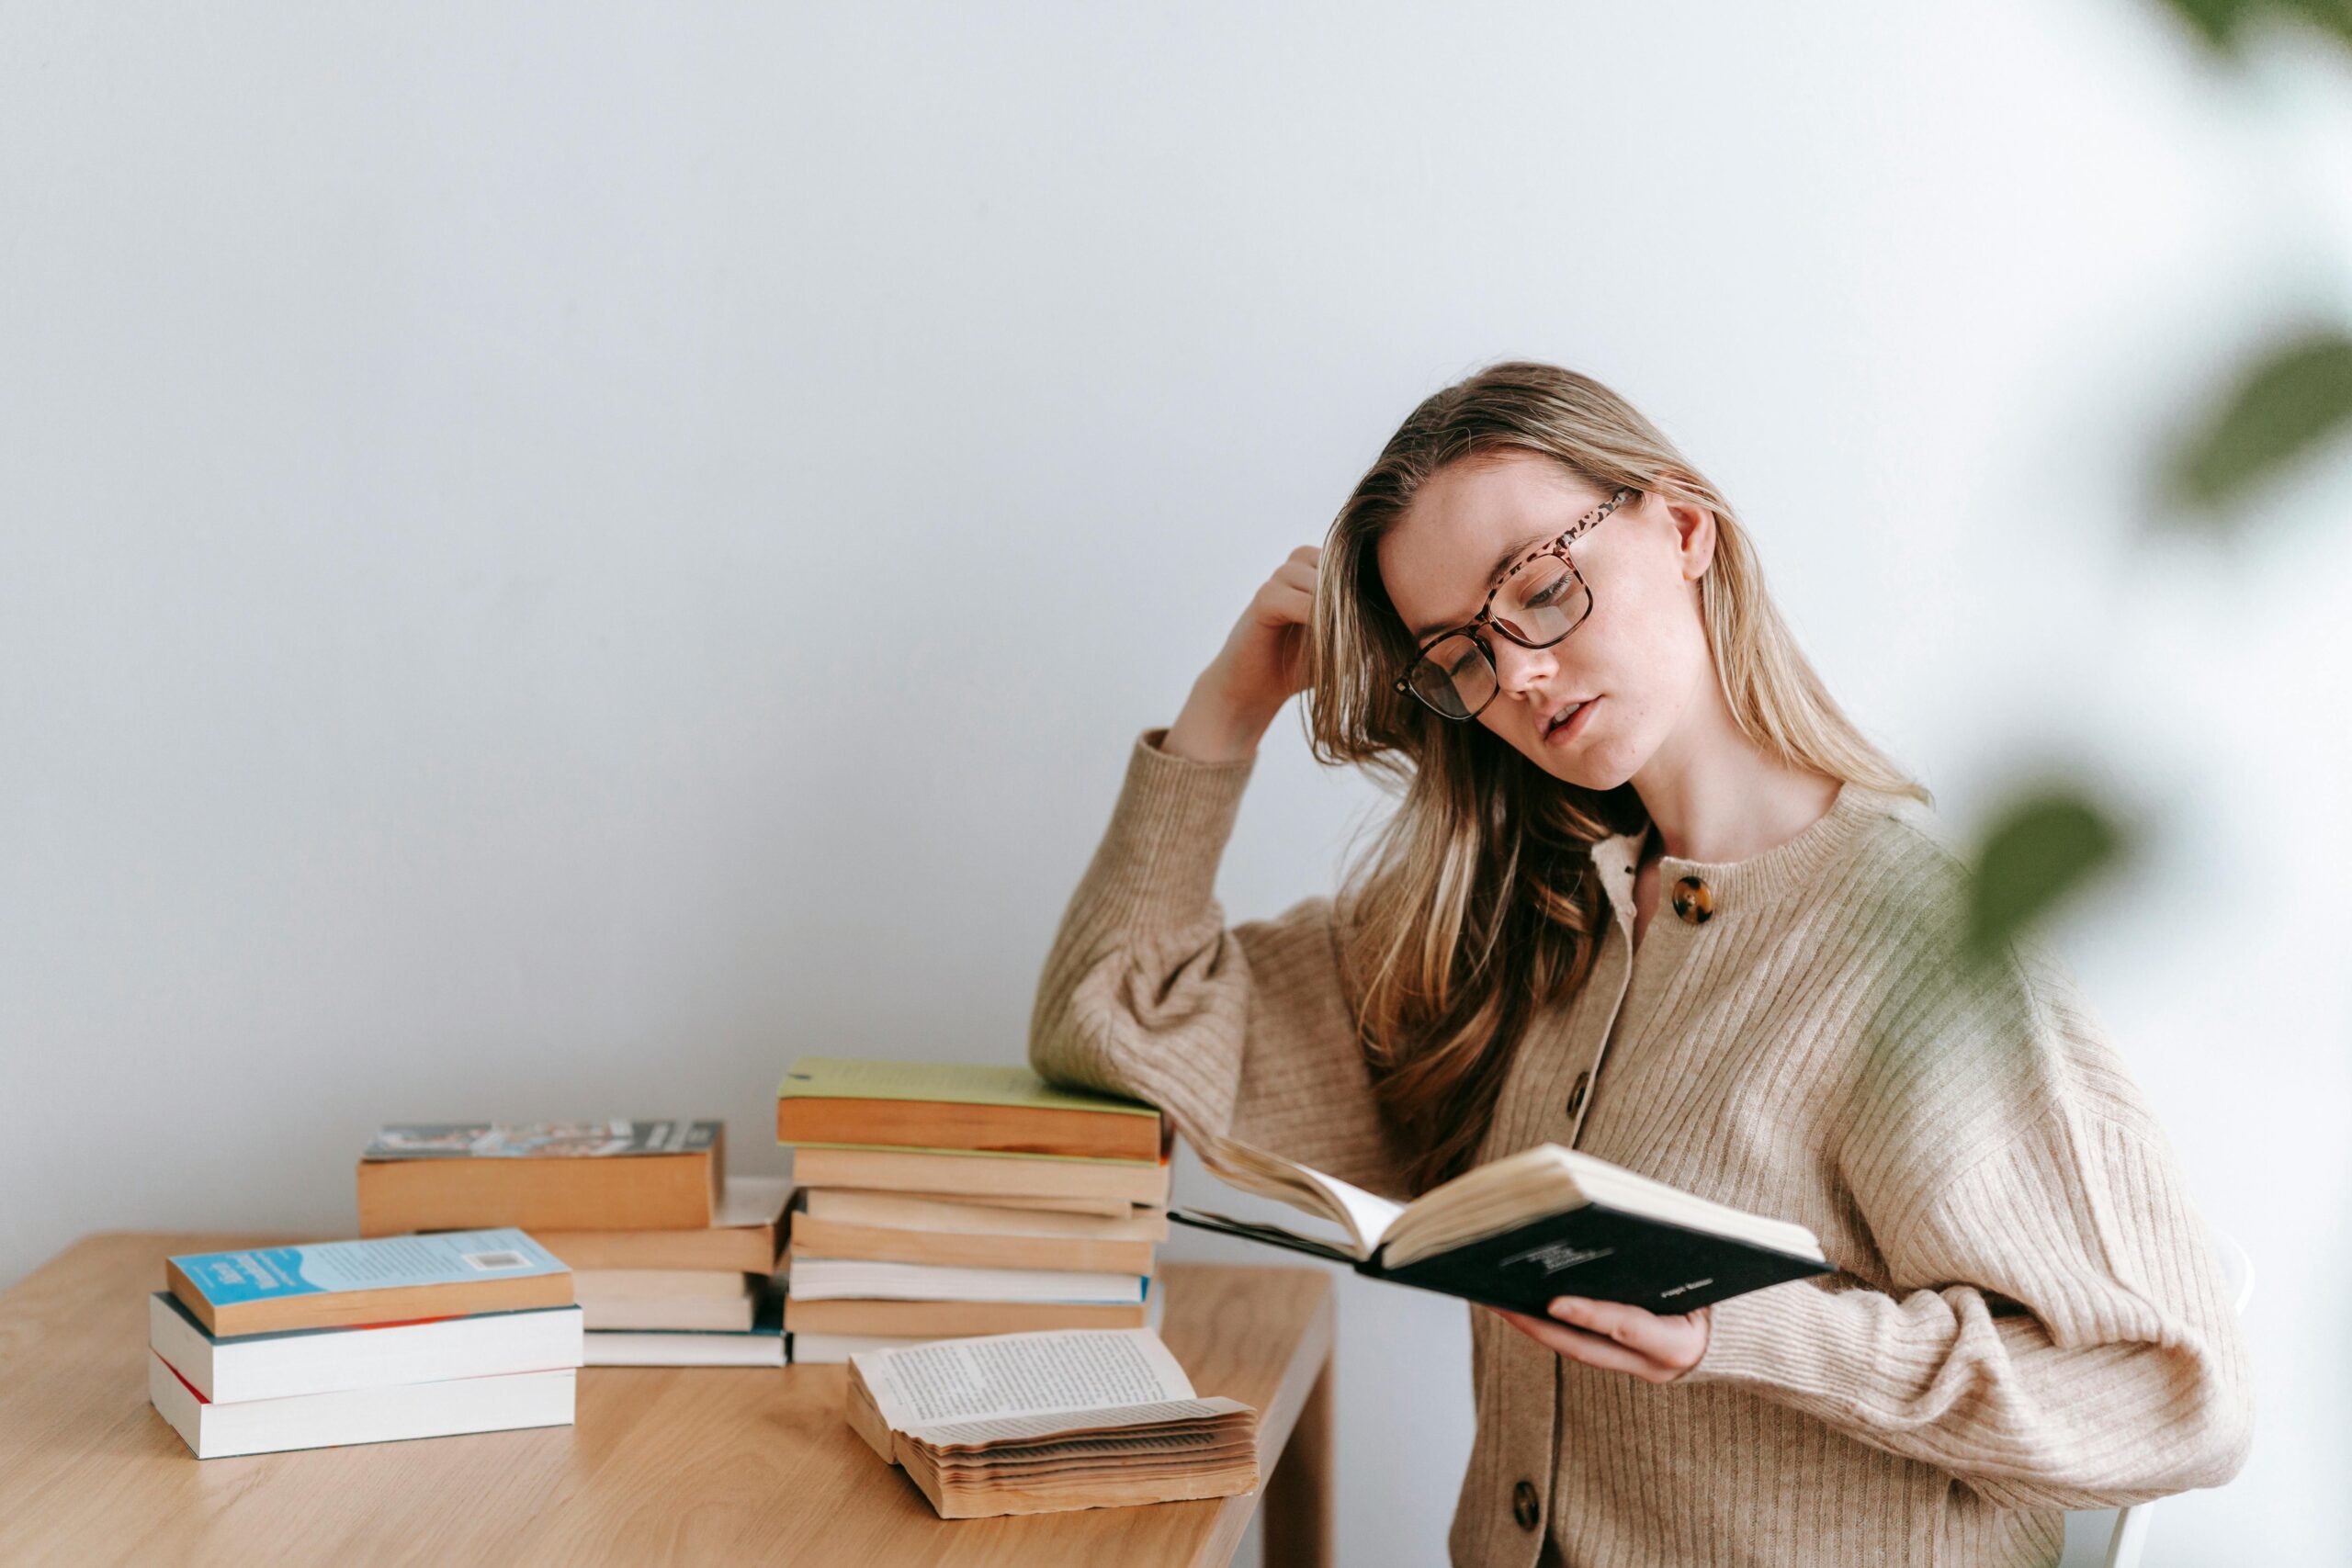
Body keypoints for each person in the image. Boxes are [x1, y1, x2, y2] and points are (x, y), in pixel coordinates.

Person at [1026, 361, 2253, 1568]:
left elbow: (2171, 1395)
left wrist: (1756, 1331)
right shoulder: (1532, 920)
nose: (1520, 674)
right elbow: (1118, 1015)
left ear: (1682, 527)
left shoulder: (1908, 941)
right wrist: (1226, 710)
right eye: (1461, 655)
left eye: (1541, 590)